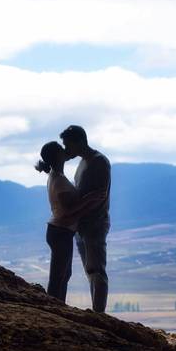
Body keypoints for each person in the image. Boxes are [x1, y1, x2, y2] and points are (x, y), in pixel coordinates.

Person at [35, 141, 105, 303]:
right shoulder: (58, 180)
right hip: (61, 231)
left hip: (60, 231)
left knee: (64, 273)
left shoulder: (56, 175)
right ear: (57, 156)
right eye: (61, 150)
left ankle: (58, 305)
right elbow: (68, 210)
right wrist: (91, 198)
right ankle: (53, 308)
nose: (65, 150)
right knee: (59, 275)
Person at [60, 125, 111, 313]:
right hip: (81, 224)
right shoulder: (83, 162)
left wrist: (75, 213)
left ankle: (99, 314)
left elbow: (100, 195)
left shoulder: (99, 162)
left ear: (79, 142)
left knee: (96, 269)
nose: (66, 150)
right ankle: (98, 312)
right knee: (91, 270)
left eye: (68, 145)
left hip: (94, 223)